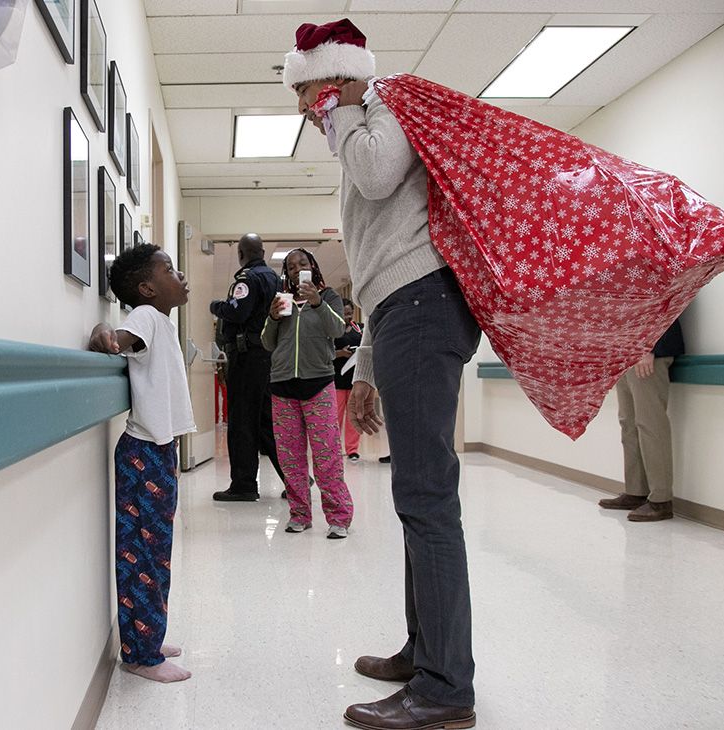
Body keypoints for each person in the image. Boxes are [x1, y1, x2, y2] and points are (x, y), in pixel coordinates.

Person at [286, 18, 482, 729]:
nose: (315, 118)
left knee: (427, 499)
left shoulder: (389, 105)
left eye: (315, 99)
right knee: (415, 498)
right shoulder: (366, 122)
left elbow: (376, 176)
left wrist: (339, 112)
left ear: (337, 79)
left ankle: (444, 688)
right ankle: (424, 650)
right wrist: (365, 362)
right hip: (404, 310)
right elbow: (379, 261)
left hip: (425, 306)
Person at [88, 244, 195, 683]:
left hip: (157, 450)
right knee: (144, 558)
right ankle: (140, 654)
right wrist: (106, 334)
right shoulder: (148, 317)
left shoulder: (162, 323)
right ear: (148, 288)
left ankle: (146, 636)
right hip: (144, 455)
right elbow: (122, 340)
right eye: (169, 269)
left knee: (155, 553)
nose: (181, 274)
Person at [262, 249, 354, 539]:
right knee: (290, 458)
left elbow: (337, 329)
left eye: (302, 264)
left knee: (326, 455)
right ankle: (299, 514)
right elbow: (267, 343)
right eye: (290, 266)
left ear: (312, 267)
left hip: (319, 384)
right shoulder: (282, 300)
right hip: (283, 385)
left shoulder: (329, 298)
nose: (296, 269)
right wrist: (273, 317)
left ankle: (339, 517)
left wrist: (316, 302)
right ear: (286, 273)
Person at [209, 233, 288, 502]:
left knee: (242, 421)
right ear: (263, 252)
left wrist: (216, 306)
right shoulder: (276, 280)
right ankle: (296, 478)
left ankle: (243, 485)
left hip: (247, 358)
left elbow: (237, 312)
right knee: (267, 422)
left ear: (241, 254)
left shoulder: (246, 279)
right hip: (269, 358)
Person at [599, 319, 685, 522]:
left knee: (650, 424)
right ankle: (635, 491)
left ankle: (661, 500)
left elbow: (665, 303)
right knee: (628, 424)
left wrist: (649, 346)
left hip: (648, 351)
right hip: (625, 353)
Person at [333, 298, 364, 461]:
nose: (347, 316)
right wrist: (339, 353)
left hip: (354, 379)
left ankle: (352, 449)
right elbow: (324, 352)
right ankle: (334, 449)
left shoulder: (359, 329)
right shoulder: (332, 330)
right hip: (336, 380)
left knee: (354, 416)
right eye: (344, 313)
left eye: (350, 313)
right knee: (335, 417)